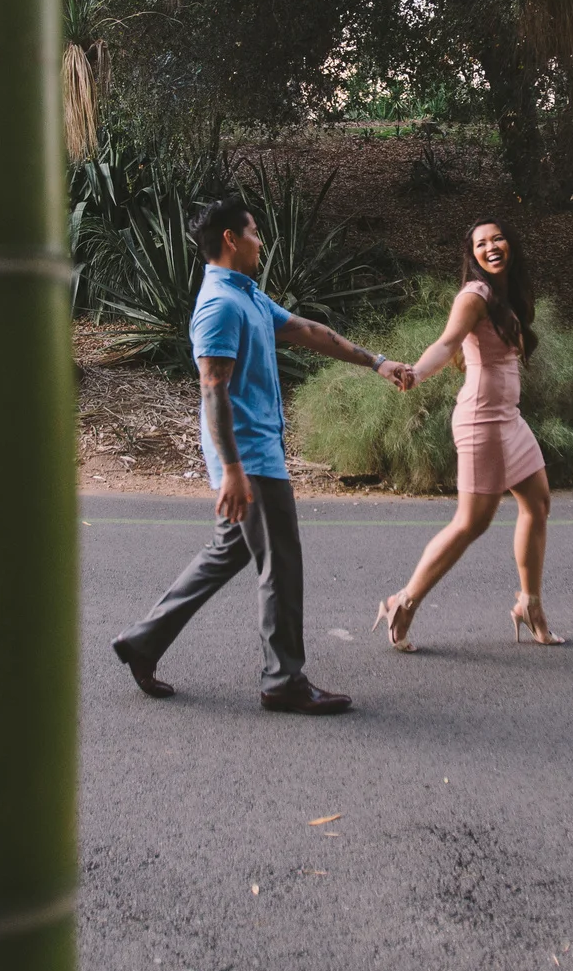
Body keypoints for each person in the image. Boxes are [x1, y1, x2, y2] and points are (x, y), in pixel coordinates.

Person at [112, 196, 416, 713]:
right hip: (249, 456)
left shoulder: (246, 295)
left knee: (227, 552)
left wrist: (376, 362)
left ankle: (144, 641)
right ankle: (283, 680)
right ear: (230, 239)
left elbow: (307, 330)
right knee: (281, 561)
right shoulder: (218, 305)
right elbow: (213, 391)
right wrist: (232, 470)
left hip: (253, 453)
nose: (261, 241)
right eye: (253, 232)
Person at [373, 220, 564, 651]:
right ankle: (403, 602)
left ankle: (529, 604)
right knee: (471, 522)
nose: (491, 247)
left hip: (508, 418)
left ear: (510, 244)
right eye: (481, 244)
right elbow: (447, 344)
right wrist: (417, 374)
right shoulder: (474, 296)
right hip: (482, 420)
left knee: (537, 502)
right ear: (472, 255)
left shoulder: (505, 294)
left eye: (497, 239)